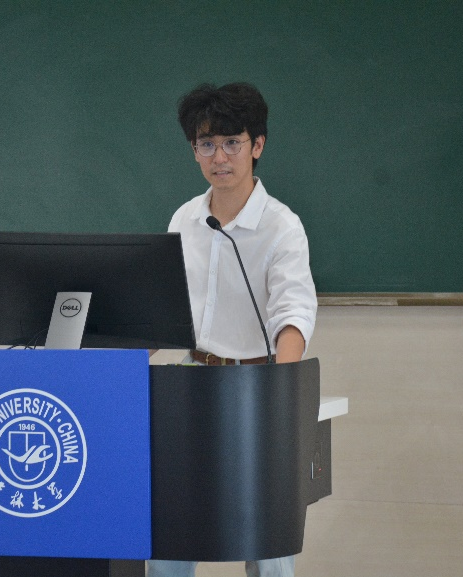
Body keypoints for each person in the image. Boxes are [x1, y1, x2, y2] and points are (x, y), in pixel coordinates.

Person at [147, 83, 317, 577]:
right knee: (170, 534)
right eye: (206, 144)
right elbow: (164, 309)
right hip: (189, 382)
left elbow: (293, 314)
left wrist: (279, 391)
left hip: (256, 387)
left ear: (256, 145)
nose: (219, 157)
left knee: (268, 544)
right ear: (193, 150)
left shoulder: (282, 226)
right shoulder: (185, 219)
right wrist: (117, 362)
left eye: (231, 143)